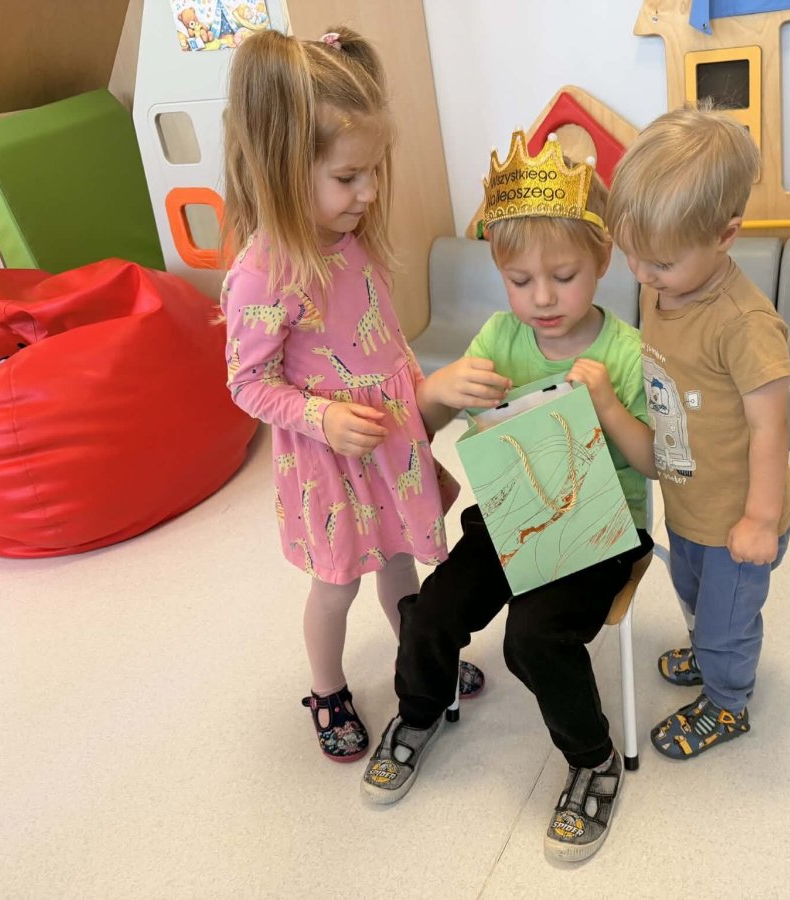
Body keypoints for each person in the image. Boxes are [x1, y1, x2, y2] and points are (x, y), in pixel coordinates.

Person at [360, 131, 655, 863]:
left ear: (603, 261)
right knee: (432, 610)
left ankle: (593, 759)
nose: (542, 298)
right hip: (513, 513)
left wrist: (607, 406)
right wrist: (437, 391)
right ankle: (419, 711)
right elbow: (421, 428)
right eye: (519, 280)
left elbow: (655, 465)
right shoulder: (499, 335)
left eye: (564, 276)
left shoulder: (624, 352)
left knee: (533, 638)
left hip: (599, 528)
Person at [219, 27, 483, 765]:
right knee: (335, 587)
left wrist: (420, 402)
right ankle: (327, 689)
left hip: (386, 443)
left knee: (402, 564)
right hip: (331, 460)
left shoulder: (351, 232)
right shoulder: (262, 272)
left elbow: (383, 341)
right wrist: (324, 416)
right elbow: (247, 382)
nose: (368, 193)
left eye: (371, 172)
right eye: (348, 176)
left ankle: (419, 659)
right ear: (282, 165)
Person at [605, 106, 790, 760]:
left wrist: (760, 521)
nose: (641, 273)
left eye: (658, 261)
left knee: (726, 622)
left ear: (725, 236)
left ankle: (727, 701)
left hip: (740, 518)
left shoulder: (745, 324)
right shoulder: (661, 289)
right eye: (631, 255)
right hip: (689, 498)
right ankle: (708, 649)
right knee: (690, 592)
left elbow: (771, 427)